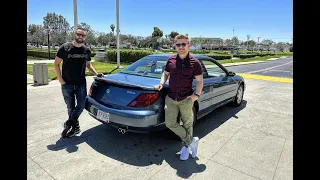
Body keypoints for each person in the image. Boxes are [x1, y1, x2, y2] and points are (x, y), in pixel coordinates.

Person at [154, 34, 204, 160]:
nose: (181, 47)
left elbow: (199, 81)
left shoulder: (195, 63)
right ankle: (191, 141)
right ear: (175, 46)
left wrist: (195, 96)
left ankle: (186, 147)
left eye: (183, 44)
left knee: (187, 124)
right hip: (171, 98)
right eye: (178, 44)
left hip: (186, 99)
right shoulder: (170, 60)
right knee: (170, 123)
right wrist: (161, 83)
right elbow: (165, 74)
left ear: (188, 45)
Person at [54, 27, 104, 138]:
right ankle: (75, 128)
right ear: (75, 34)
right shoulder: (65, 47)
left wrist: (96, 73)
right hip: (66, 84)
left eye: (82, 35)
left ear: (85, 37)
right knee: (70, 107)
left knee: (81, 105)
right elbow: (56, 64)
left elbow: (88, 64)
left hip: (81, 83)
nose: (80, 37)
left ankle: (69, 123)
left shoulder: (86, 50)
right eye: (78, 34)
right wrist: (61, 80)